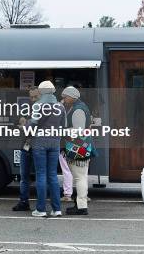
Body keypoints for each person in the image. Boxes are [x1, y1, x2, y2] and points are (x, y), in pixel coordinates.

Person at [28, 81, 64, 218]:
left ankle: (41, 209)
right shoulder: (60, 107)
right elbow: (63, 125)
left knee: (41, 175)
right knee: (53, 175)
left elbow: (33, 124)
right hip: (55, 142)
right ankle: (57, 209)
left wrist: (24, 127)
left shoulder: (38, 106)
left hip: (40, 142)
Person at [61, 86, 92, 215]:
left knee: (80, 178)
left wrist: (63, 131)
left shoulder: (77, 110)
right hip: (83, 146)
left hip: (77, 147)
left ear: (73, 97)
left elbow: (78, 132)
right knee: (82, 177)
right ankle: (81, 204)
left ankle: (81, 206)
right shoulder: (82, 107)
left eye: (65, 97)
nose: (63, 99)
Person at [12, 86, 40, 211]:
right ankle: (24, 202)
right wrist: (20, 120)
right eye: (31, 97)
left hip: (39, 145)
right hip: (26, 145)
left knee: (41, 176)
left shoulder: (43, 109)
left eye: (36, 96)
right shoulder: (29, 108)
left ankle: (41, 204)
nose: (33, 99)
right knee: (24, 176)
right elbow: (15, 120)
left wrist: (25, 125)